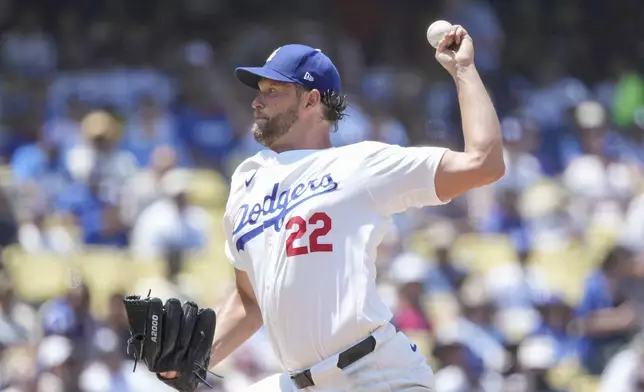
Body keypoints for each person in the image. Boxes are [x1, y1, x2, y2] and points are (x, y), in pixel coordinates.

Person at [161, 24, 504, 391]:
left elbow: (484, 163)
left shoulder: (360, 165)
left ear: (311, 101)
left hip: (373, 373)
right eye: (260, 91)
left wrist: (463, 70)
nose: (256, 102)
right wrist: (193, 360)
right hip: (299, 382)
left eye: (273, 91)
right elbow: (250, 299)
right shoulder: (247, 181)